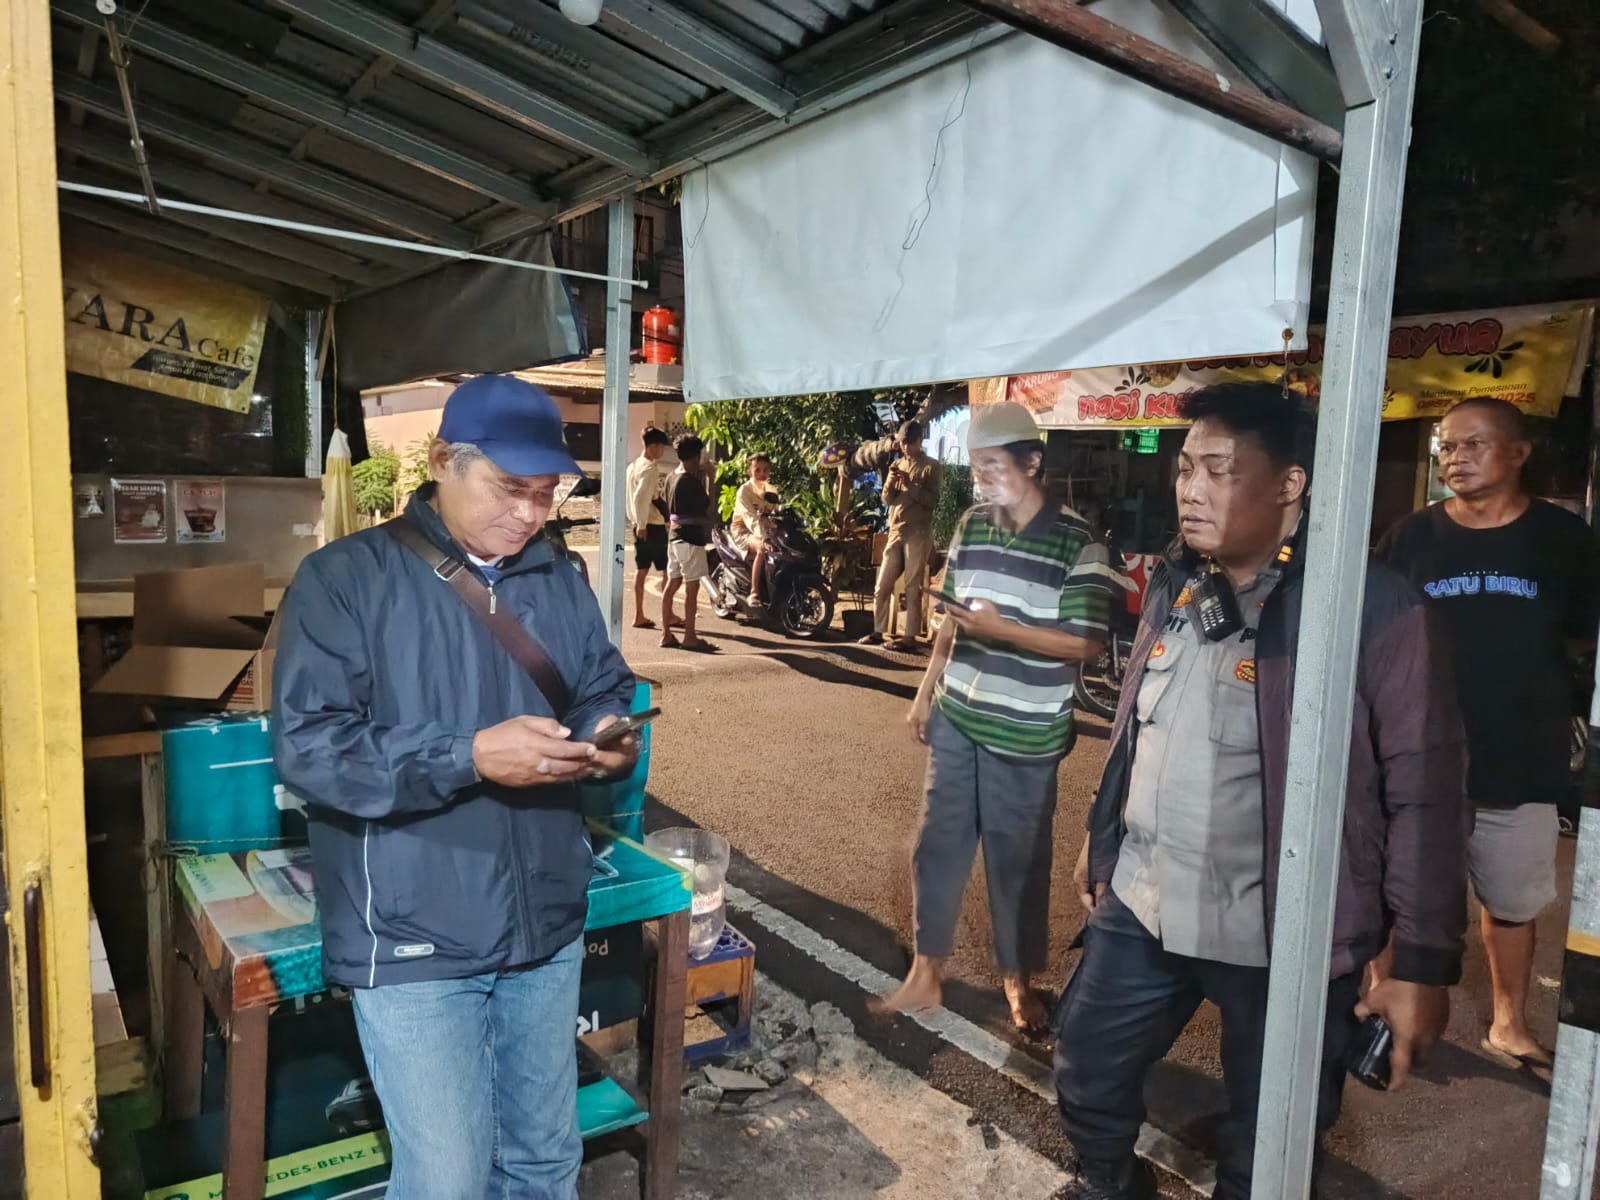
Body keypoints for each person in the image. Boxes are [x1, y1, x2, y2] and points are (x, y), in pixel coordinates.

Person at [1058, 382, 1468, 1200]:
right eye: (1185, 468)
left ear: (1289, 485)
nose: (1190, 488)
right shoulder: (1179, 586)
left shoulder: (1371, 607)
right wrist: (1103, 838)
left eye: (1217, 468)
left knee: (1271, 1134)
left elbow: (1426, 792)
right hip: (1146, 902)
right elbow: (1139, 728)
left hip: (1282, 931)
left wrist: (1420, 965)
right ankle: (1108, 1184)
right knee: (1086, 1069)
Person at [271, 374, 641, 1200]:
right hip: (414, 938)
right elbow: (310, 749)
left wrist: (606, 737)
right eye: (510, 490)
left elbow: (602, 684)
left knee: (545, 1160)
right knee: (446, 1179)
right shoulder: (344, 581)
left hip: (544, 923)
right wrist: (470, 755)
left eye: (547, 495)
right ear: (443, 461)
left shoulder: (557, 576)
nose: (530, 514)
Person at [1376, 396, 1599, 1092]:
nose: (1454, 458)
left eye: (1473, 444)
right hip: (1415, 758)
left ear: (1519, 452)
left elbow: (1585, 634)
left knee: (1512, 902)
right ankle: (1384, 1011)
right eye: (1445, 446)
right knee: (1392, 893)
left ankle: (1507, 1020)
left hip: (1518, 757)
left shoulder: (1565, 540)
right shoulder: (1410, 538)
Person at [874, 402, 1116, 1032]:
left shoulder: (1079, 543)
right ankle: (927, 973)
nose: (981, 480)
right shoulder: (973, 525)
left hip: (1027, 734)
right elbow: (954, 618)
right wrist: (924, 693)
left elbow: (1086, 642)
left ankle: (1017, 982)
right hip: (959, 714)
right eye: (976, 468)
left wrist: (1003, 629)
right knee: (938, 846)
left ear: (1032, 461)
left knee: (1016, 864)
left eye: (992, 466)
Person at [861, 420, 942, 651]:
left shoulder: (931, 467)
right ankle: (878, 631)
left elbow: (931, 501)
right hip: (895, 530)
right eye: (902, 443)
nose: (905, 448)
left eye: (909, 443)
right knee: (882, 585)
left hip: (918, 531)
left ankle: (910, 637)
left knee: (912, 585)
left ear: (919, 441)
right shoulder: (898, 463)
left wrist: (910, 485)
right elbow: (887, 500)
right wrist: (891, 480)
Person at [661, 435, 718, 653]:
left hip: (673, 536)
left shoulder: (670, 477)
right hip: (690, 538)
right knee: (691, 587)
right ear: (696, 456)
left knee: (672, 582)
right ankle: (690, 636)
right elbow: (708, 507)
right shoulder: (690, 481)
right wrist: (710, 478)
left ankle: (666, 633)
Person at [627, 427, 673, 630]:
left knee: (642, 570)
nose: (662, 451)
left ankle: (639, 614)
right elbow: (640, 498)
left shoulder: (633, 466)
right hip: (651, 525)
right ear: (653, 447)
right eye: (661, 447)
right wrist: (643, 524)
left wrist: (637, 522)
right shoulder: (650, 468)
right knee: (667, 570)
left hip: (638, 524)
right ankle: (668, 614)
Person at [731, 454, 779, 606]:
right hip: (743, 530)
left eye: (765, 470)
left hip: (765, 528)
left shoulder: (771, 490)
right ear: (750, 472)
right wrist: (763, 538)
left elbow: (775, 513)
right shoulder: (744, 491)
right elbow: (751, 519)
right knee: (762, 549)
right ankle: (754, 593)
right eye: (757, 470)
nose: (762, 474)